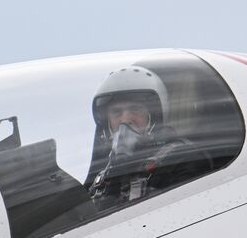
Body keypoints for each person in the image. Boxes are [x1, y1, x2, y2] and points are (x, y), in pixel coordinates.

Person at [86, 66, 214, 210]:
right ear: (106, 123)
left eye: (135, 110)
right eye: (116, 113)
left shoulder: (184, 160)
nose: (125, 120)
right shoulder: (103, 178)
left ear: (155, 118)